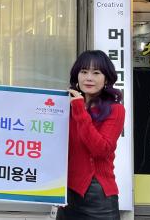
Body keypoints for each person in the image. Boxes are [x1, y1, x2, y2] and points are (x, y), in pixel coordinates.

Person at [57, 50, 125, 220]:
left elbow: (101, 150)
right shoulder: (65, 107)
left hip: (98, 197)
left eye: (96, 73)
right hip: (67, 193)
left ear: (106, 79)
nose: (89, 78)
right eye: (84, 71)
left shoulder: (115, 110)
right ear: (77, 75)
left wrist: (80, 110)